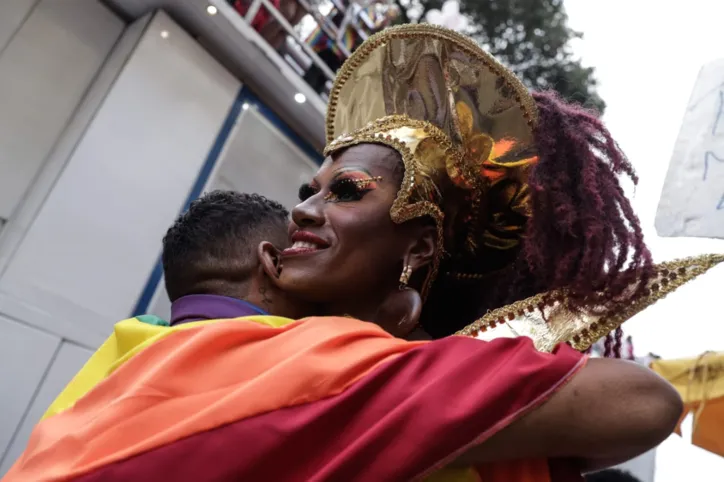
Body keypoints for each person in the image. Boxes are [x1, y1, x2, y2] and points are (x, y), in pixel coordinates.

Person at [6, 25, 721, 482]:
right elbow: (636, 401)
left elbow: (642, 405)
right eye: (307, 190)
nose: (304, 212)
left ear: (420, 248)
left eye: (346, 191)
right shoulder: (221, 357)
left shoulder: (333, 377)